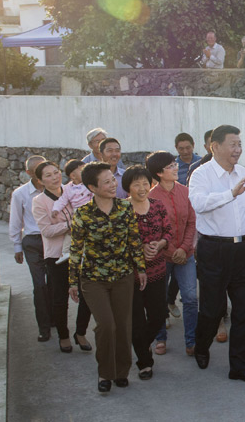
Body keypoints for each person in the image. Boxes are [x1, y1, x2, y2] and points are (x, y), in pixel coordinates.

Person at [188, 125, 245, 383]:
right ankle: (201, 345)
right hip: (214, 250)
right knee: (212, 309)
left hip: (243, 249)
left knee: (244, 309)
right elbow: (198, 204)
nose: (238, 149)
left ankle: (240, 366)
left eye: (239, 144)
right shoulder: (201, 175)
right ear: (215, 147)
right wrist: (230, 194)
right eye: (232, 144)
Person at [69, 162, 146, 393]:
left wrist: (140, 268)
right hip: (93, 279)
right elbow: (75, 250)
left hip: (123, 276)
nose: (113, 185)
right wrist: (72, 282)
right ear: (92, 187)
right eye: (106, 182)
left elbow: (134, 241)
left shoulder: (125, 209)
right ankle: (105, 372)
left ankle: (121, 372)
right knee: (105, 325)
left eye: (113, 180)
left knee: (123, 325)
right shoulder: (82, 214)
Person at [31, 161, 92, 354]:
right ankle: (64, 335)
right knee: (59, 298)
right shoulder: (39, 201)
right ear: (40, 180)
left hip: (83, 251)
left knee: (88, 294)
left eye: (56, 172)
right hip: (57, 255)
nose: (54, 177)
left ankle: (80, 332)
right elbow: (47, 231)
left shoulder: (72, 190)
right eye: (48, 175)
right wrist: (72, 223)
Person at [146, 151, 200, 356]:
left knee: (190, 297)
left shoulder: (185, 192)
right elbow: (152, 231)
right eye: (170, 166)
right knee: (158, 298)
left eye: (174, 164)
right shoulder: (151, 197)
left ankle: (191, 340)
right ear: (159, 173)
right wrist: (170, 250)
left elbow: (192, 223)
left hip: (185, 253)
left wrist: (184, 249)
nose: (176, 167)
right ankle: (160, 338)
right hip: (161, 256)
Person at [123, 166, 172, 380]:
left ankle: (142, 345)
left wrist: (160, 244)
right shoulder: (122, 210)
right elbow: (116, 241)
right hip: (131, 275)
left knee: (159, 314)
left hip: (158, 271)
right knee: (136, 320)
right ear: (128, 187)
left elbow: (168, 231)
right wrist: (139, 248)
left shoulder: (158, 206)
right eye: (136, 184)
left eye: (145, 183)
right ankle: (144, 361)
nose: (142, 188)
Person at [9, 154, 53, 342]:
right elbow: (15, 220)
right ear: (29, 173)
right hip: (33, 241)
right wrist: (17, 246)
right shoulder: (20, 194)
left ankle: (55, 320)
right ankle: (43, 327)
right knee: (39, 285)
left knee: (55, 284)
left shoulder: (56, 190)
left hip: (53, 240)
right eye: (37, 170)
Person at [51, 159, 93, 265]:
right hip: (76, 212)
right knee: (71, 233)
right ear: (73, 176)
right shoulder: (68, 188)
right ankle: (65, 252)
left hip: (89, 210)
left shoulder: (89, 185)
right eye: (82, 170)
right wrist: (56, 209)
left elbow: (95, 196)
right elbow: (62, 200)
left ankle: (86, 253)